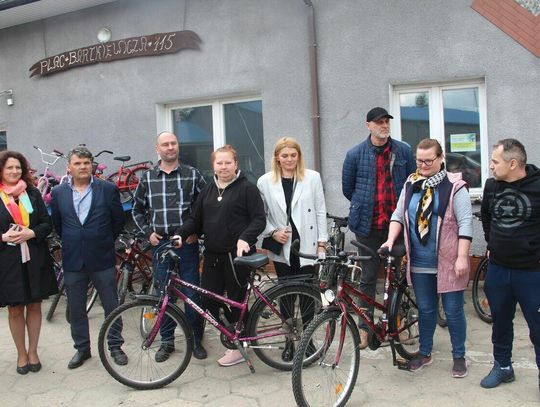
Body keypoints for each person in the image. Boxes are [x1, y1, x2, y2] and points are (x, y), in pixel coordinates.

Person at [381, 138, 472, 377]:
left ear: (441, 159)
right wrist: (391, 240)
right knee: (426, 310)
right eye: (419, 160)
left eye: (428, 161)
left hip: (450, 262)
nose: (422, 165)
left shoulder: (455, 187)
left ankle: (459, 356)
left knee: (453, 311)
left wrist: (462, 257)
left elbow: (465, 224)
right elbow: (398, 215)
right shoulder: (411, 183)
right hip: (420, 261)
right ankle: (425, 353)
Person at [174, 145, 265, 367]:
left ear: (236, 164)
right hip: (213, 255)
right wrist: (180, 234)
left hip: (238, 257)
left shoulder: (247, 189)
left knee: (235, 301)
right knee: (209, 299)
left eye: (228, 162)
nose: (223, 167)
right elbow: (195, 219)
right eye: (219, 163)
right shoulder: (208, 190)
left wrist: (245, 237)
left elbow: (259, 219)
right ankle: (236, 332)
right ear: (213, 165)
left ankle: (238, 345)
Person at [342, 106, 415, 348]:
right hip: (367, 227)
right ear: (368, 125)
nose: (384, 125)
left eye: (386, 121)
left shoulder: (403, 151)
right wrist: (365, 204)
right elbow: (348, 189)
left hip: (396, 227)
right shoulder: (354, 155)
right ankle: (365, 328)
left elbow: (412, 184)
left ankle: (397, 323)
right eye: (378, 122)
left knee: (397, 278)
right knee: (368, 279)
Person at [132, 131, 207, 361]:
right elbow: (137, 209)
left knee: (192, 293)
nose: (170, 147)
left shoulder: (192, 175)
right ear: (158, 149)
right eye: (165, 144)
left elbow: (205, 208)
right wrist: (148, 233)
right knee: (163, 294)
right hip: (161, 245)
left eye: (174, 143)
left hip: (187, 244)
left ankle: (195, 339)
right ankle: (167, 341)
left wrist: (197, 232)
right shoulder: (147, 178)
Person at [50, 146, 126, 369]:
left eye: (86, 163)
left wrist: (101, 240)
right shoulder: (58, 193)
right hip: (73, 259)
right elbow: (58, 225)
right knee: (76, 308)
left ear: (92, 165)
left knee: (111, 305)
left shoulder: (108, 189)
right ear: (69, 167)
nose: (82, 167)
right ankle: (82, 349)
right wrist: (76, 240)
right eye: (77, 163)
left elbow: (118, 221)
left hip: (102, 258)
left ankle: (115, 346)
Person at [257, 136, 327, 361]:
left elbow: (319, 210)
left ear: (299, 156)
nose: (289, 160)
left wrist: (322, 242)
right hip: (282, 244)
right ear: (277, 157)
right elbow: (261, 215)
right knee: (285, 295)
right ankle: (288, 340)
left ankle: (307, 341)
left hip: (307, 243)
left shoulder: (312, 178)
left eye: (293, 155)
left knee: (307, 294)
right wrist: (272, 232)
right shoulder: (265, 182)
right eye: (285, 155)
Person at [479, 139, 540, 394]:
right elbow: (487, 216)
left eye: (495, 161)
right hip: (499, 271)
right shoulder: (492, 186)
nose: (491, 166)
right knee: (501, 323)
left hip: (532, 273)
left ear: (513, 163)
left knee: (537, 329)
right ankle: (503, 367)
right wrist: (492, 243)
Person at [0, 151, 58, 375]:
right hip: (8, 262)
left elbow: (47, 224)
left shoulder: (32, 193)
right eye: (9, 168)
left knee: (34, 305)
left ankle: (33, 351)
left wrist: (31, 233)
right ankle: (21, 354)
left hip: (35, 257)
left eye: (17, 168)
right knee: (15, 309)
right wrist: (3, 237)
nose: (14, 172)